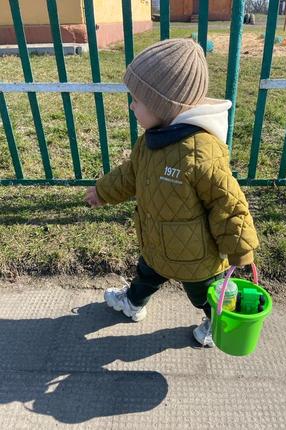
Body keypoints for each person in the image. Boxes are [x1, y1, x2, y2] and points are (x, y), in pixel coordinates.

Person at [85, 38, 259, 347]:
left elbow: (227, 202)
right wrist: (102, 191)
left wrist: (239, 246)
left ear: (165, 106)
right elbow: (130, 174)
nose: (131, 105)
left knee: (202, 294)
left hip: (195, 257)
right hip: (157, 243)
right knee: (146, 274)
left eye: (137, 99)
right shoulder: (151, 140)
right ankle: (133, 304)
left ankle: (216, 322)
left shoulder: (201, 151)